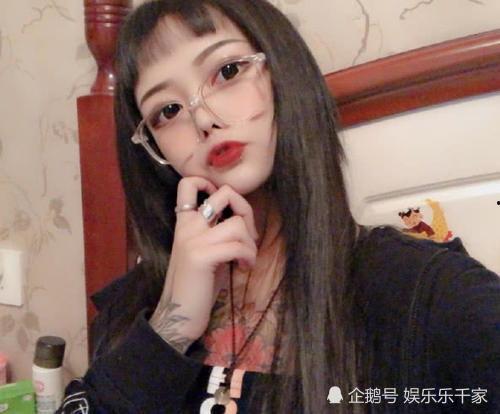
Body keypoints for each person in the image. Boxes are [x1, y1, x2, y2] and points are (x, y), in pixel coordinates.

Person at [57, 0, 500, 413]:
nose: (204, 119)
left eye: (227, 71)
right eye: (167, 111)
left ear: (282, 73)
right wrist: (169, 328)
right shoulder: (134, 307)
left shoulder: (428, 296)